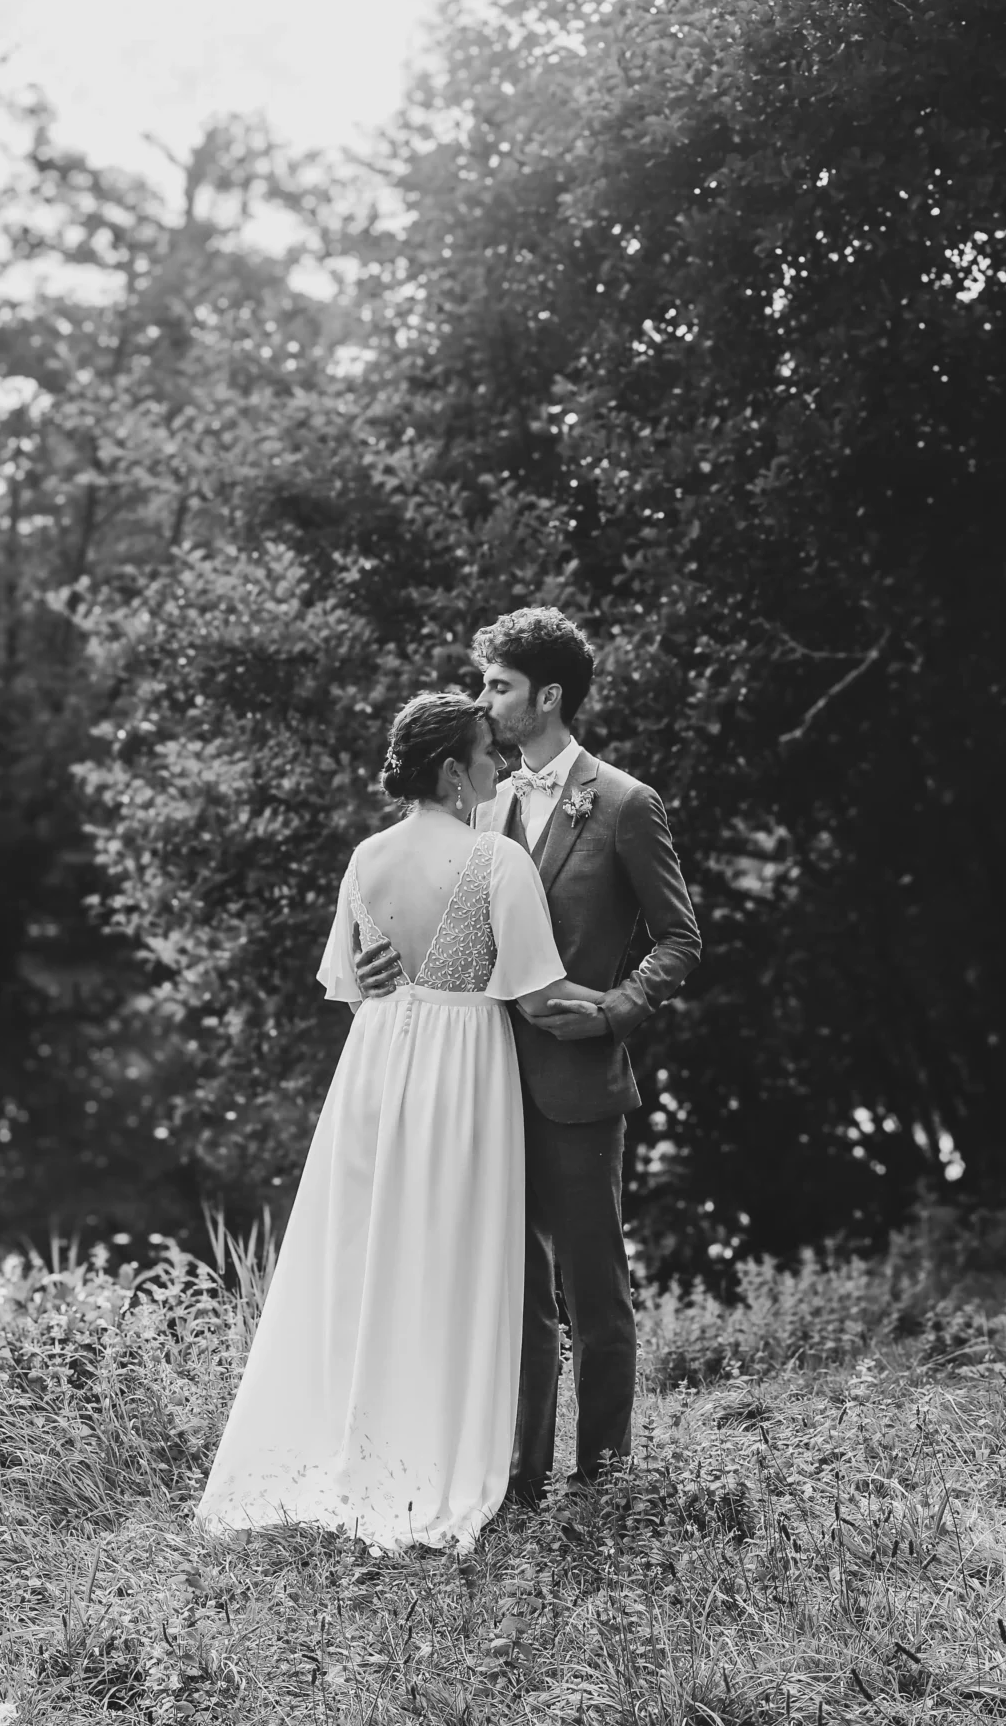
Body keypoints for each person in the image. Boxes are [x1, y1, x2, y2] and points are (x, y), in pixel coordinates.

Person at [195, 690, 604, 1553]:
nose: (499, 770)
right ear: (455, 771)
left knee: (368, 1251)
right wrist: (627, 998)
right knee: (451, 1253)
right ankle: (434, 1446)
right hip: (461, 1069)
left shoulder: (365, 857)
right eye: (490, 756)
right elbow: (536, 993)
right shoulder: (496, 863)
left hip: (379, 1063)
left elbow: (349, 984)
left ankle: (362, 1439)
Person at [358, 608, 701, 1506]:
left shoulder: (626, 804)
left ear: (547, 697)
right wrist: (381, 960)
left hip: (577, 1083)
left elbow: (680, 938)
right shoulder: (486, 802)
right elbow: (445, 925)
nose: (485, 702)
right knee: (510, 1295)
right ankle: (519, 1482)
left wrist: (619, 1009)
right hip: (482, 1080)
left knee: (596, 1296)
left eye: (499, 687)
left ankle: (603, 1485)